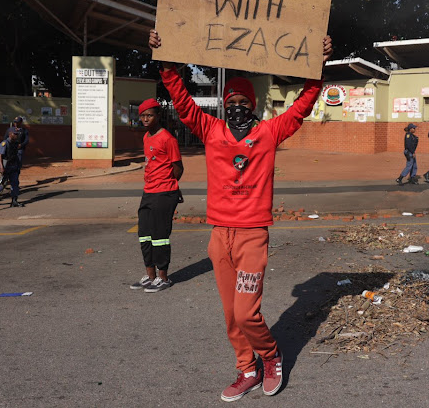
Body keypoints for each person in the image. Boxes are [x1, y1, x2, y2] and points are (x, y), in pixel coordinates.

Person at [149, 29, 332, 402]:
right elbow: (182, 102)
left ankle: (271, 356)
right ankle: (246, 369)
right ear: (222, 105)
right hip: (220, 236)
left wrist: (319, 66)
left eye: (241, 101)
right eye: (230, 100)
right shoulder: (211, 130)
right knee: (232, 315)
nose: (235, 106)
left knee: (248, 313)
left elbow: (302, 106)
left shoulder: (268, 133)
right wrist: (168, 65)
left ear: (252, 105)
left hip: (251, 235)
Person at [129, 98, 184, 293]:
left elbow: (178, 168)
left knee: (160, 236)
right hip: (149, 191)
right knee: (144, 233)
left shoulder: (168, 138)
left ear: (158, 116)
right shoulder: (146, 137)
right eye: (143, 116)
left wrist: (168, 186)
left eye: (149, 115)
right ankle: (150, 275)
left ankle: (163, 277)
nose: (145, 119)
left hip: (164, 192)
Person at [0, 127, 24, 207]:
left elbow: (16, 155)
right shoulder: (4, 143)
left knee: (15, 183)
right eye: (15, 134)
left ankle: (14, 201)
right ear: (10, 134)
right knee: (2, 184)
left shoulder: (15, 143)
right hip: (5, 166)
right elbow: (0, 155)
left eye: (17, 134)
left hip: (13, 166)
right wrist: (1, 167)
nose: (16, 135)